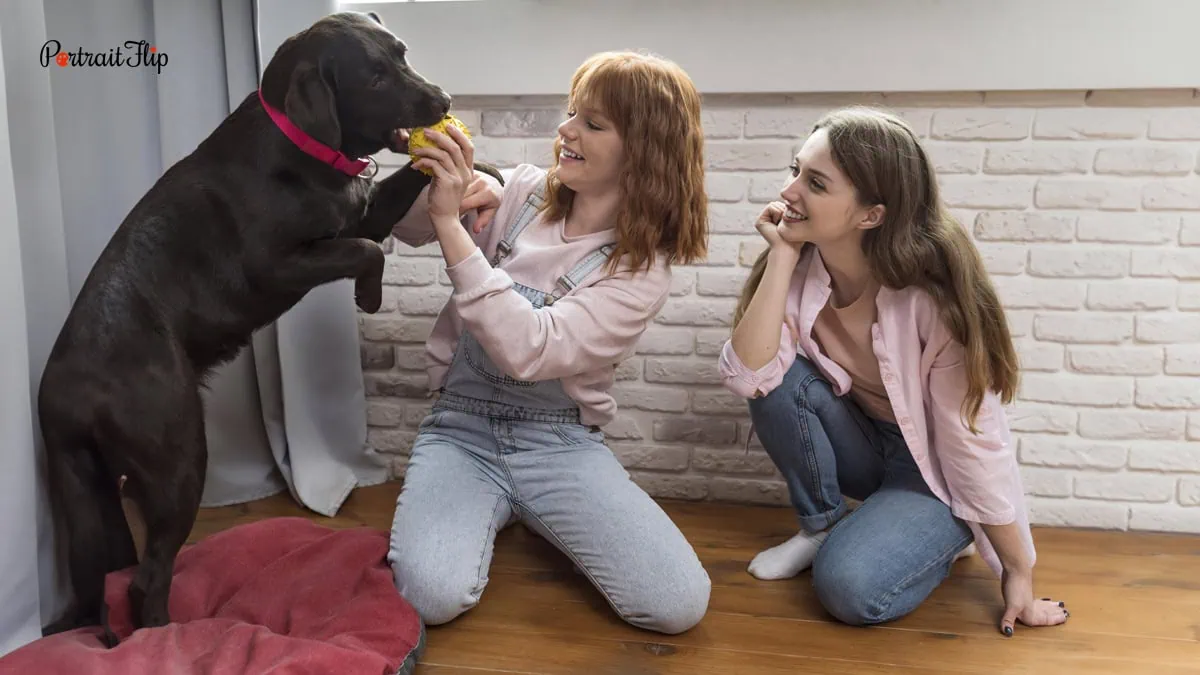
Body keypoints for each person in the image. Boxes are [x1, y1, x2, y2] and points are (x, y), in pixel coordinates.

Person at [384, 50, 711, 634]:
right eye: (571, 113)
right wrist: (439, 179)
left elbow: (531, 349)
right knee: (430, 599)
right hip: (461, 432)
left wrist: (450, 229)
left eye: (593, 122)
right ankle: (494, 504)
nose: (566, 131)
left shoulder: (640, 271)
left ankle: (527, 504)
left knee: (676, 604)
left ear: (644, 150)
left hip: (557, 445)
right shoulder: (521, 192)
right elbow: (405, 228)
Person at [718, 107, 1069, 637]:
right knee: (779, 377)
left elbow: (972, 440)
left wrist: (1017, 569)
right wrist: (783, 258)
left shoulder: (932, 301)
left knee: (850, 589)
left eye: (814, 182)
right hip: (865, 443)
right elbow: (749, 376)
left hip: (934, 471)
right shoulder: (801, 266)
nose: (789, 191)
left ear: (871, 215)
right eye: (795, 171)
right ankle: (823, 526)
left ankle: (939, 535)